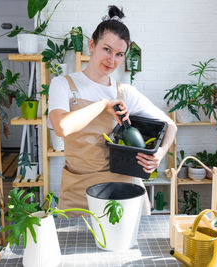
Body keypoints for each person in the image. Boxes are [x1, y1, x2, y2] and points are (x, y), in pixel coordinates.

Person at [48, 5, 177, 215]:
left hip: (127, 191)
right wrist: (102, 105)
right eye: (106, 49)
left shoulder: (125, 93)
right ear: (92, 45)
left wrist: (159, 154)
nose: (112, 60)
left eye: (119, 54)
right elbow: (62, 127)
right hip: (80, 193)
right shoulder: (63, 85)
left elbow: (171, 125)